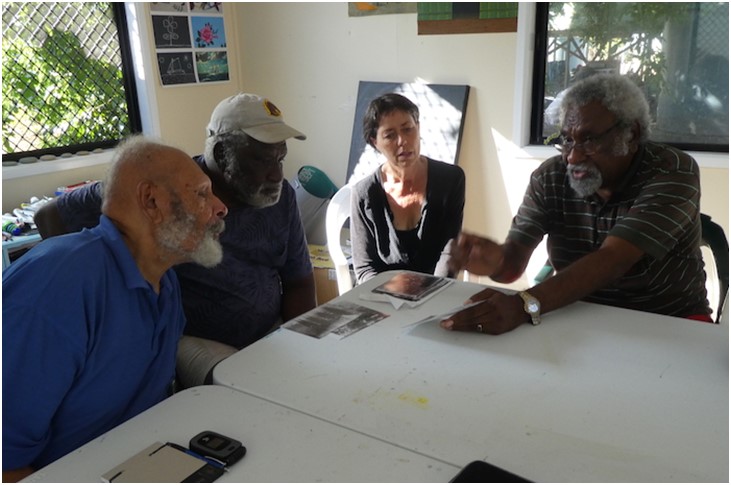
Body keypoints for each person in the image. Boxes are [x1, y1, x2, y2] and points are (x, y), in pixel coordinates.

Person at [32, 93, 317, 388]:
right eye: (263, 160)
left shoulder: (280, 197)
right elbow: (49, 216)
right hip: (198, 339)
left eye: (281, 159)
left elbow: (299, 280)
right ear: (221, 154)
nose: (277, 174)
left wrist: (302, 343)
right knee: (252, 390)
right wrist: (92, 286)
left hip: (267, 330)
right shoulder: (167, 187)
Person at [2, 136, 228, 482]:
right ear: (152, 201)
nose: (220, 206)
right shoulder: (59, 284)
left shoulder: (163, 282)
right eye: (201, 193)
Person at [441, 73, 711, 336]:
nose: (573, 157)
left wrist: (524, 305)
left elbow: (613, 260)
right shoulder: (551, 177)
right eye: (568, 139)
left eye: (589, 139)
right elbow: (513, 265)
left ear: (631, 133)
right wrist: (494, 261)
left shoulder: (673, 171)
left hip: (671, 323)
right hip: (578, 317)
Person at [350, 93, 465, 284]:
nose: (402, 141)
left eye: (408, 129)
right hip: (383, 296)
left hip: (436, 290)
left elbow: (449, 252)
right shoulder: (364, 194)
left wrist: (428, 295)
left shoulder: (451, 180)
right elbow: (364, 268)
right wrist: (393, 293)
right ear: (374, 142)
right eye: (390, 135)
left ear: (418, 128)